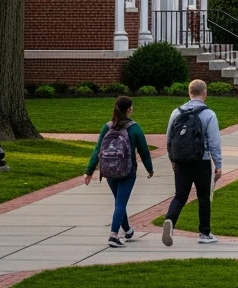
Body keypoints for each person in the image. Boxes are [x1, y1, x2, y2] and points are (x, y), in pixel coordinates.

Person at [84, 96, 155, 248]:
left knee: (119, 202)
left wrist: (89, 171)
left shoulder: (107, 127)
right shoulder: (134, 128)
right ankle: (113, 235)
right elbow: (143, 150)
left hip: (109, 171)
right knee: (121, 203)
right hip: (127, 171)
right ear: (129, 109)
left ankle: (127, 230)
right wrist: (149, 168)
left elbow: (98, 150)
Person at [162, 80, 223, 246]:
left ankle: (170, 221)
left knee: (180, 195)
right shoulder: (209, 114)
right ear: (204, 94)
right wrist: (218, 164)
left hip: (181, 161)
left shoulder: (176, 112)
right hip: (201, 161)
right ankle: (204, 232)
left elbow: (169, 139)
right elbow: (214, 142)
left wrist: (172, 159)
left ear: (189, 93)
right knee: (203, 197)